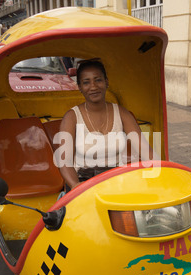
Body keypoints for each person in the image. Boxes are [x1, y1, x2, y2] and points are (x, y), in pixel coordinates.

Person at [57, 60, 155, 191]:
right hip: (82, 183)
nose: (93, 87)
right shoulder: (71, 117)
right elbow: (64, 162)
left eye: (98, 80)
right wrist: (76, 186)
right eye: (86, 82)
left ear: (106, 82)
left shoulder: (121, 113)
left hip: (116, 181)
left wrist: (156, 175)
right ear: (79, 87)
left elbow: (146, 152)